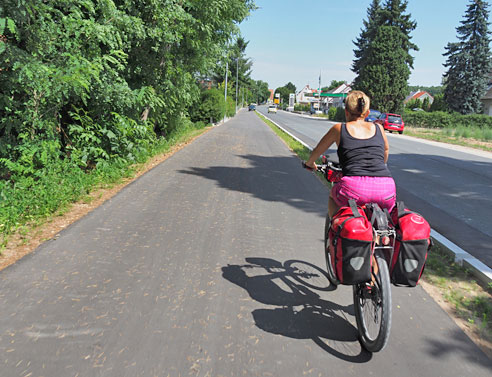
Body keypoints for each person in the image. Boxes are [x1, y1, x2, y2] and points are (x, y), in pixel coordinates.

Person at [305, 90, 396, 218]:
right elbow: (385, 151)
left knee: (333, 195)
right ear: (367, 113)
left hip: (354, 189)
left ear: (346, 112)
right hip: (386, 189)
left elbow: (317, 151)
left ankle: (336, 229)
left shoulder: (339, 129)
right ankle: (382, 238)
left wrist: (310, 163)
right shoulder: (379, 128)